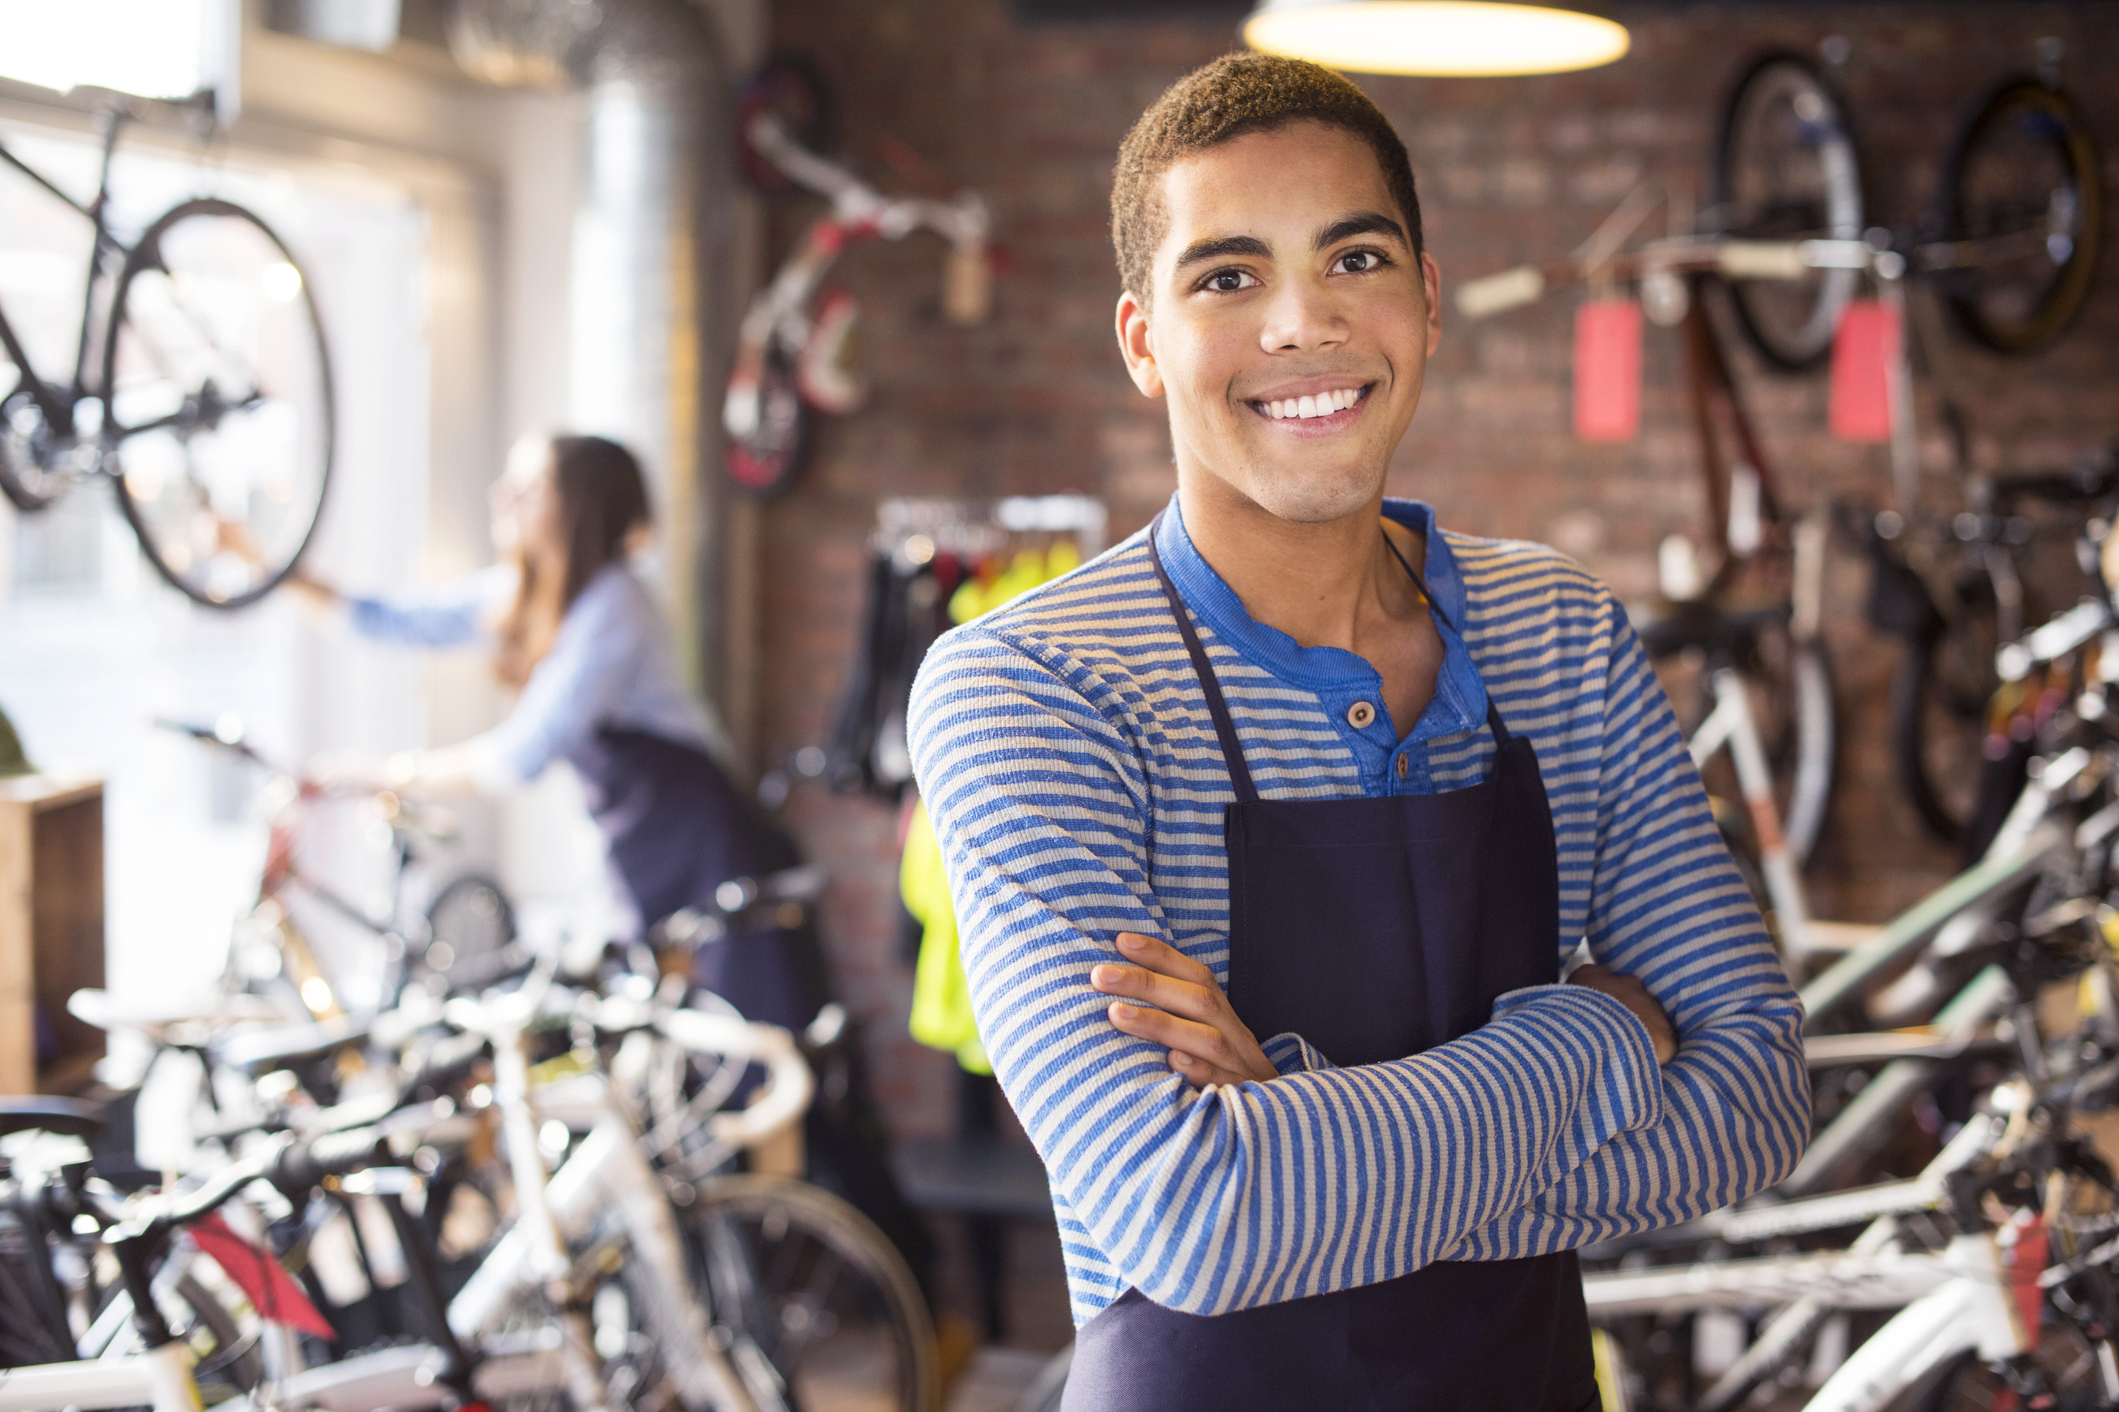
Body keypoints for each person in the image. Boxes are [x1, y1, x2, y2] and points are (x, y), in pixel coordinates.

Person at [906, 54, 1809, 1412]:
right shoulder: (1033, 687)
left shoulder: (1552, 635)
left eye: (1354, 257)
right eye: (1224, 275)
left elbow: (1749, 1104)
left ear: (1427, 304)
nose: (1299, 323)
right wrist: (1600, 1039)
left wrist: (1295, 1121)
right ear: (1142, 343)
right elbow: (1191, 1219)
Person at [297, 430, 824, 1032]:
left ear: (579, 505)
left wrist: (380, 774)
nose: (504, 498)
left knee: (746, 1044)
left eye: (530, 487)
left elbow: (519, 756)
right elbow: (389, 620)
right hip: (644, 845)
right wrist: (267, 572)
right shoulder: (532, 596)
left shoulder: (616, 607)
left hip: (704, 844)